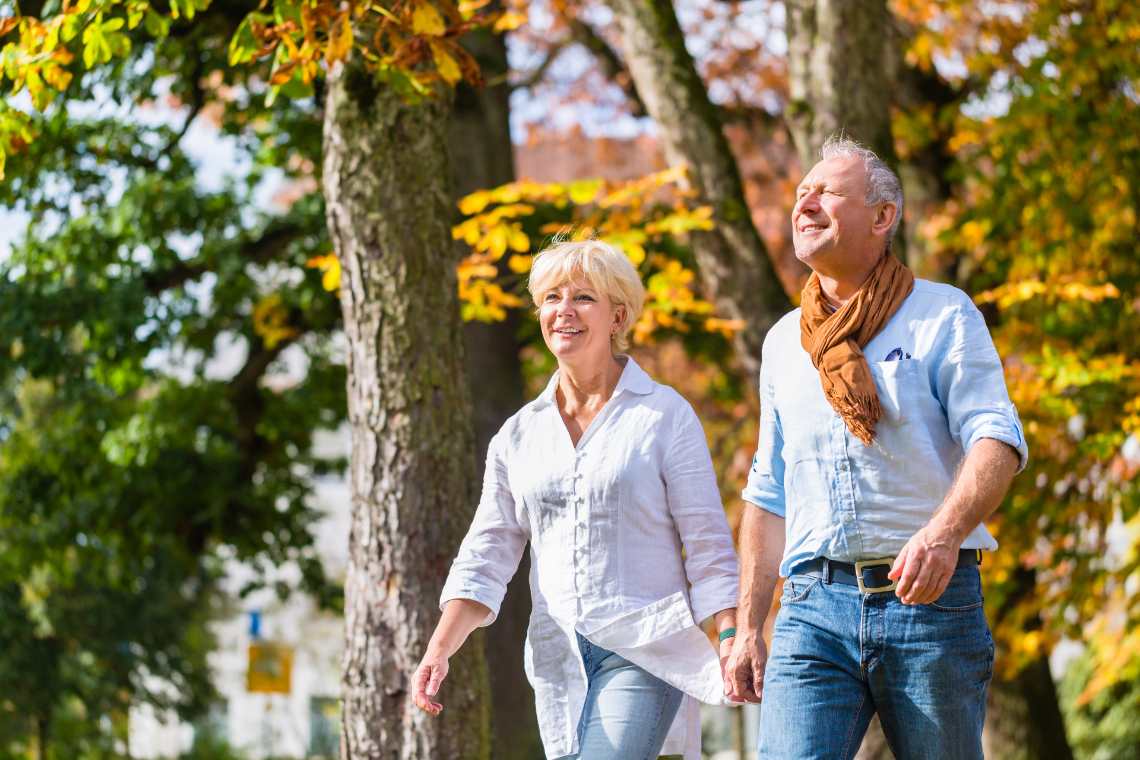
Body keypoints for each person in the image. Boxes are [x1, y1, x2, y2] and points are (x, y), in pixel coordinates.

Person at [723, 136, 1027, 759]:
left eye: (827, 192)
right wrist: (749, 627)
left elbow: (997, 438)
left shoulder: (944, 314)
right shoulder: (783, 342)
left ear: (884, 216)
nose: (804, 203)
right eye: (801, 192)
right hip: (812, 607)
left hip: (931, 603)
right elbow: (768, 489)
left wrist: (944, 535)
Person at [411, 239, 739, 760]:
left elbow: (707, 543)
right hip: (558, 655)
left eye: (583, 297)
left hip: (642, 648)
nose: (564, 310)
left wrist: (730, 637)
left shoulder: (663, 416)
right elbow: (488, 552)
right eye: (551, 298)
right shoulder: (518, 435)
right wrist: (439, 648)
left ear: (618, 315)